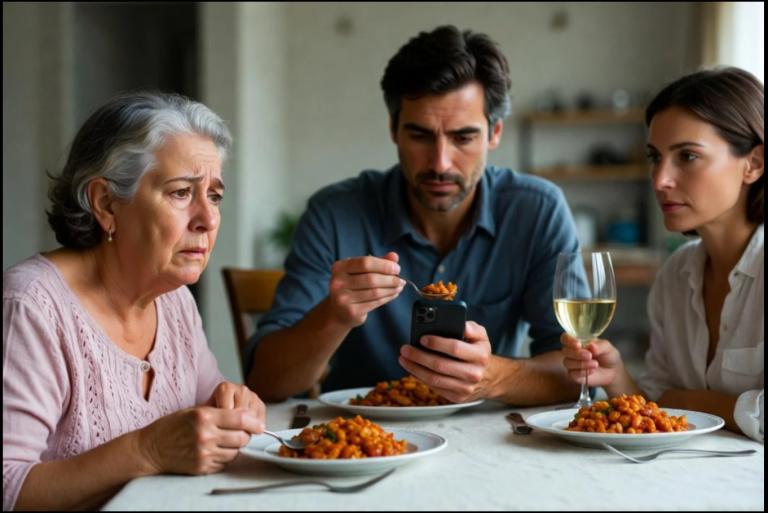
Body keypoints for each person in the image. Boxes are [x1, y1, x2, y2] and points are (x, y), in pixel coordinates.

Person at [246, 25, 581, 405]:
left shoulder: (537, 211)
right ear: (394, 129)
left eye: (463, 138)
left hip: (489, 440)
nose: (440, 163)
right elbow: (265, 381)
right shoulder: (334, 214)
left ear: (495, 132)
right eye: (420, 136)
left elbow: (579, 372)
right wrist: (334, 316)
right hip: (361, 440)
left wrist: (494, 378)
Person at [3, 91, 266, 511]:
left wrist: (232, 406)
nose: (209, 218)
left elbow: (209, 407)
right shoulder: (31, 305)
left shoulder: (175, 299)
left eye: (214, 195)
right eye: (182, 192)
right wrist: (146, 451)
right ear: (106, 203)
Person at [561, 67, 764, 442]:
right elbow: (659, 408)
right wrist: (617, 376)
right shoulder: (676, 272)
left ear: (753, 164)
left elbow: (678, 403)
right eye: (655, 157)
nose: (659, 180)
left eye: (687, 156)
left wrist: (695, 401)